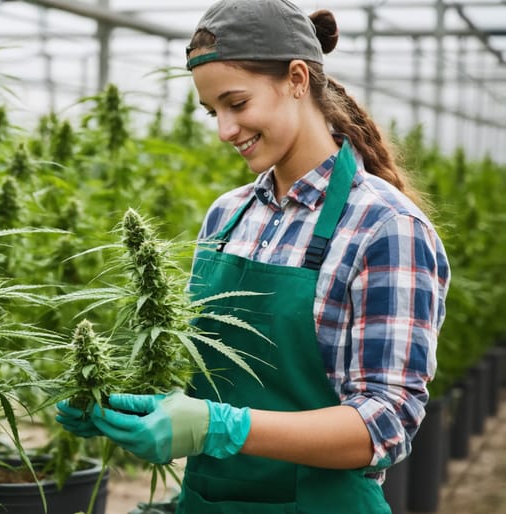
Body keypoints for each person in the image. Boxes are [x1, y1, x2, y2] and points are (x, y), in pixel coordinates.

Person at [56, 0, 451, 512]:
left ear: (297, 78)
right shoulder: (227, 215)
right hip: (206, 500)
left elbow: (386, 422)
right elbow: (217, 375)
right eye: (212, 112)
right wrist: (130, 408)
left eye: (236, 104)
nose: (224, 130)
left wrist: (222, 426)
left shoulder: (385, 227)